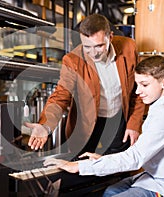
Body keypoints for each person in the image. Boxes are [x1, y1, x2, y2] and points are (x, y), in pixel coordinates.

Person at [44, 55, 164, 197]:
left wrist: (78, 166)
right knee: (111, 191)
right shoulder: (160, 107)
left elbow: (135, 158)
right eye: (137, 84)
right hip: (153, 178)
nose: (138, 91)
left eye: (144, 85)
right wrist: (102, 160)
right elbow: (140, 151)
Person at [25, 13, 145, 156]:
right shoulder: (72, 61)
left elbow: (139, 90)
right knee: (83, 170)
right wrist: (46, 126)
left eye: (99, 46)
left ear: (110, 37)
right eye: (87, 47)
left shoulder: (129, 48)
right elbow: (60, 96)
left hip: (118, 119)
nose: (93, 53)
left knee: (119, 169)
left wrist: (134, 124)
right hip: (86, 125)